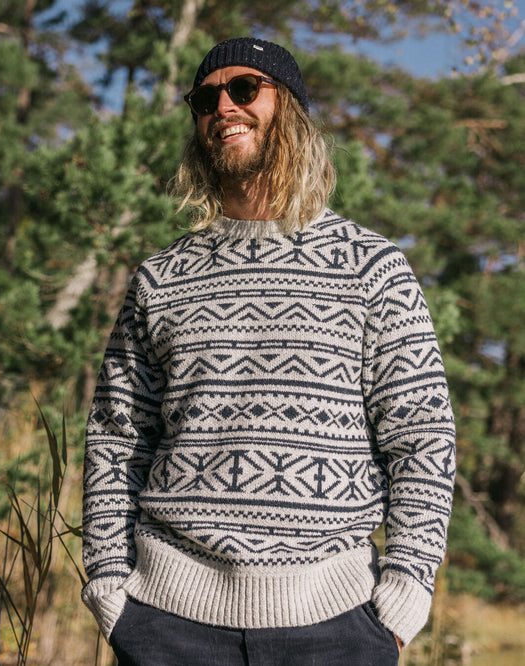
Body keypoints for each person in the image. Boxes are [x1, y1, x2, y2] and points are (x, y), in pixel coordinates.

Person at [81, 37, 456, 665]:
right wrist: (111, 591)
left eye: (244, 89)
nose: (223, 107)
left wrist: (404, 599)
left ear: (292, 110)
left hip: (337, 625)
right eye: (205, 99)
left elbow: (421, 436)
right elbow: (117, 439)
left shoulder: (373, 268)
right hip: (167, 624)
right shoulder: (159, 278)